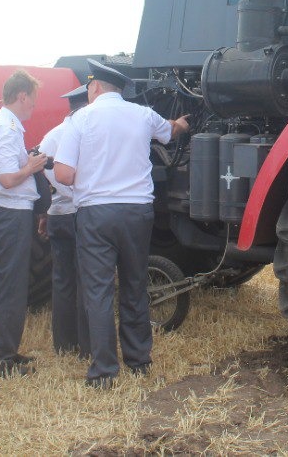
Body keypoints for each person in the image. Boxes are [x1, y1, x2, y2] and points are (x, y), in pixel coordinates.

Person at [53, 60, 189, 388]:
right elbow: (168, 131)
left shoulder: (80, 120)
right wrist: (182, 124)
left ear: (95, 87)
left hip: (96, 213)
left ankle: (103, 371)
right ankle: (139, 360)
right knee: (134, 284)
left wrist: (89, 181)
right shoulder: (141, 114)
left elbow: (62, 174)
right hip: (137, 213)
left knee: (98, 291)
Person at [0, 70, 47, 377]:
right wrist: (32, 166)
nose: (34, 107)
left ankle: (4, 352)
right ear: (22, 96)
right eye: (33, 100)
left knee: (9, 283)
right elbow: (7, 178)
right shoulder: (7, 128)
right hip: (9, 210)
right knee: (11, 286)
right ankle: (0, 358)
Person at [37, 84, 90, 357]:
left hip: (57, 214)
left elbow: (44, 171)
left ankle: (63, 343)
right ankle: (85, 345)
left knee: (62, 281)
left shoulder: (51, 136)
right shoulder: (84, 132)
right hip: (79, 214)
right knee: (85, 280)